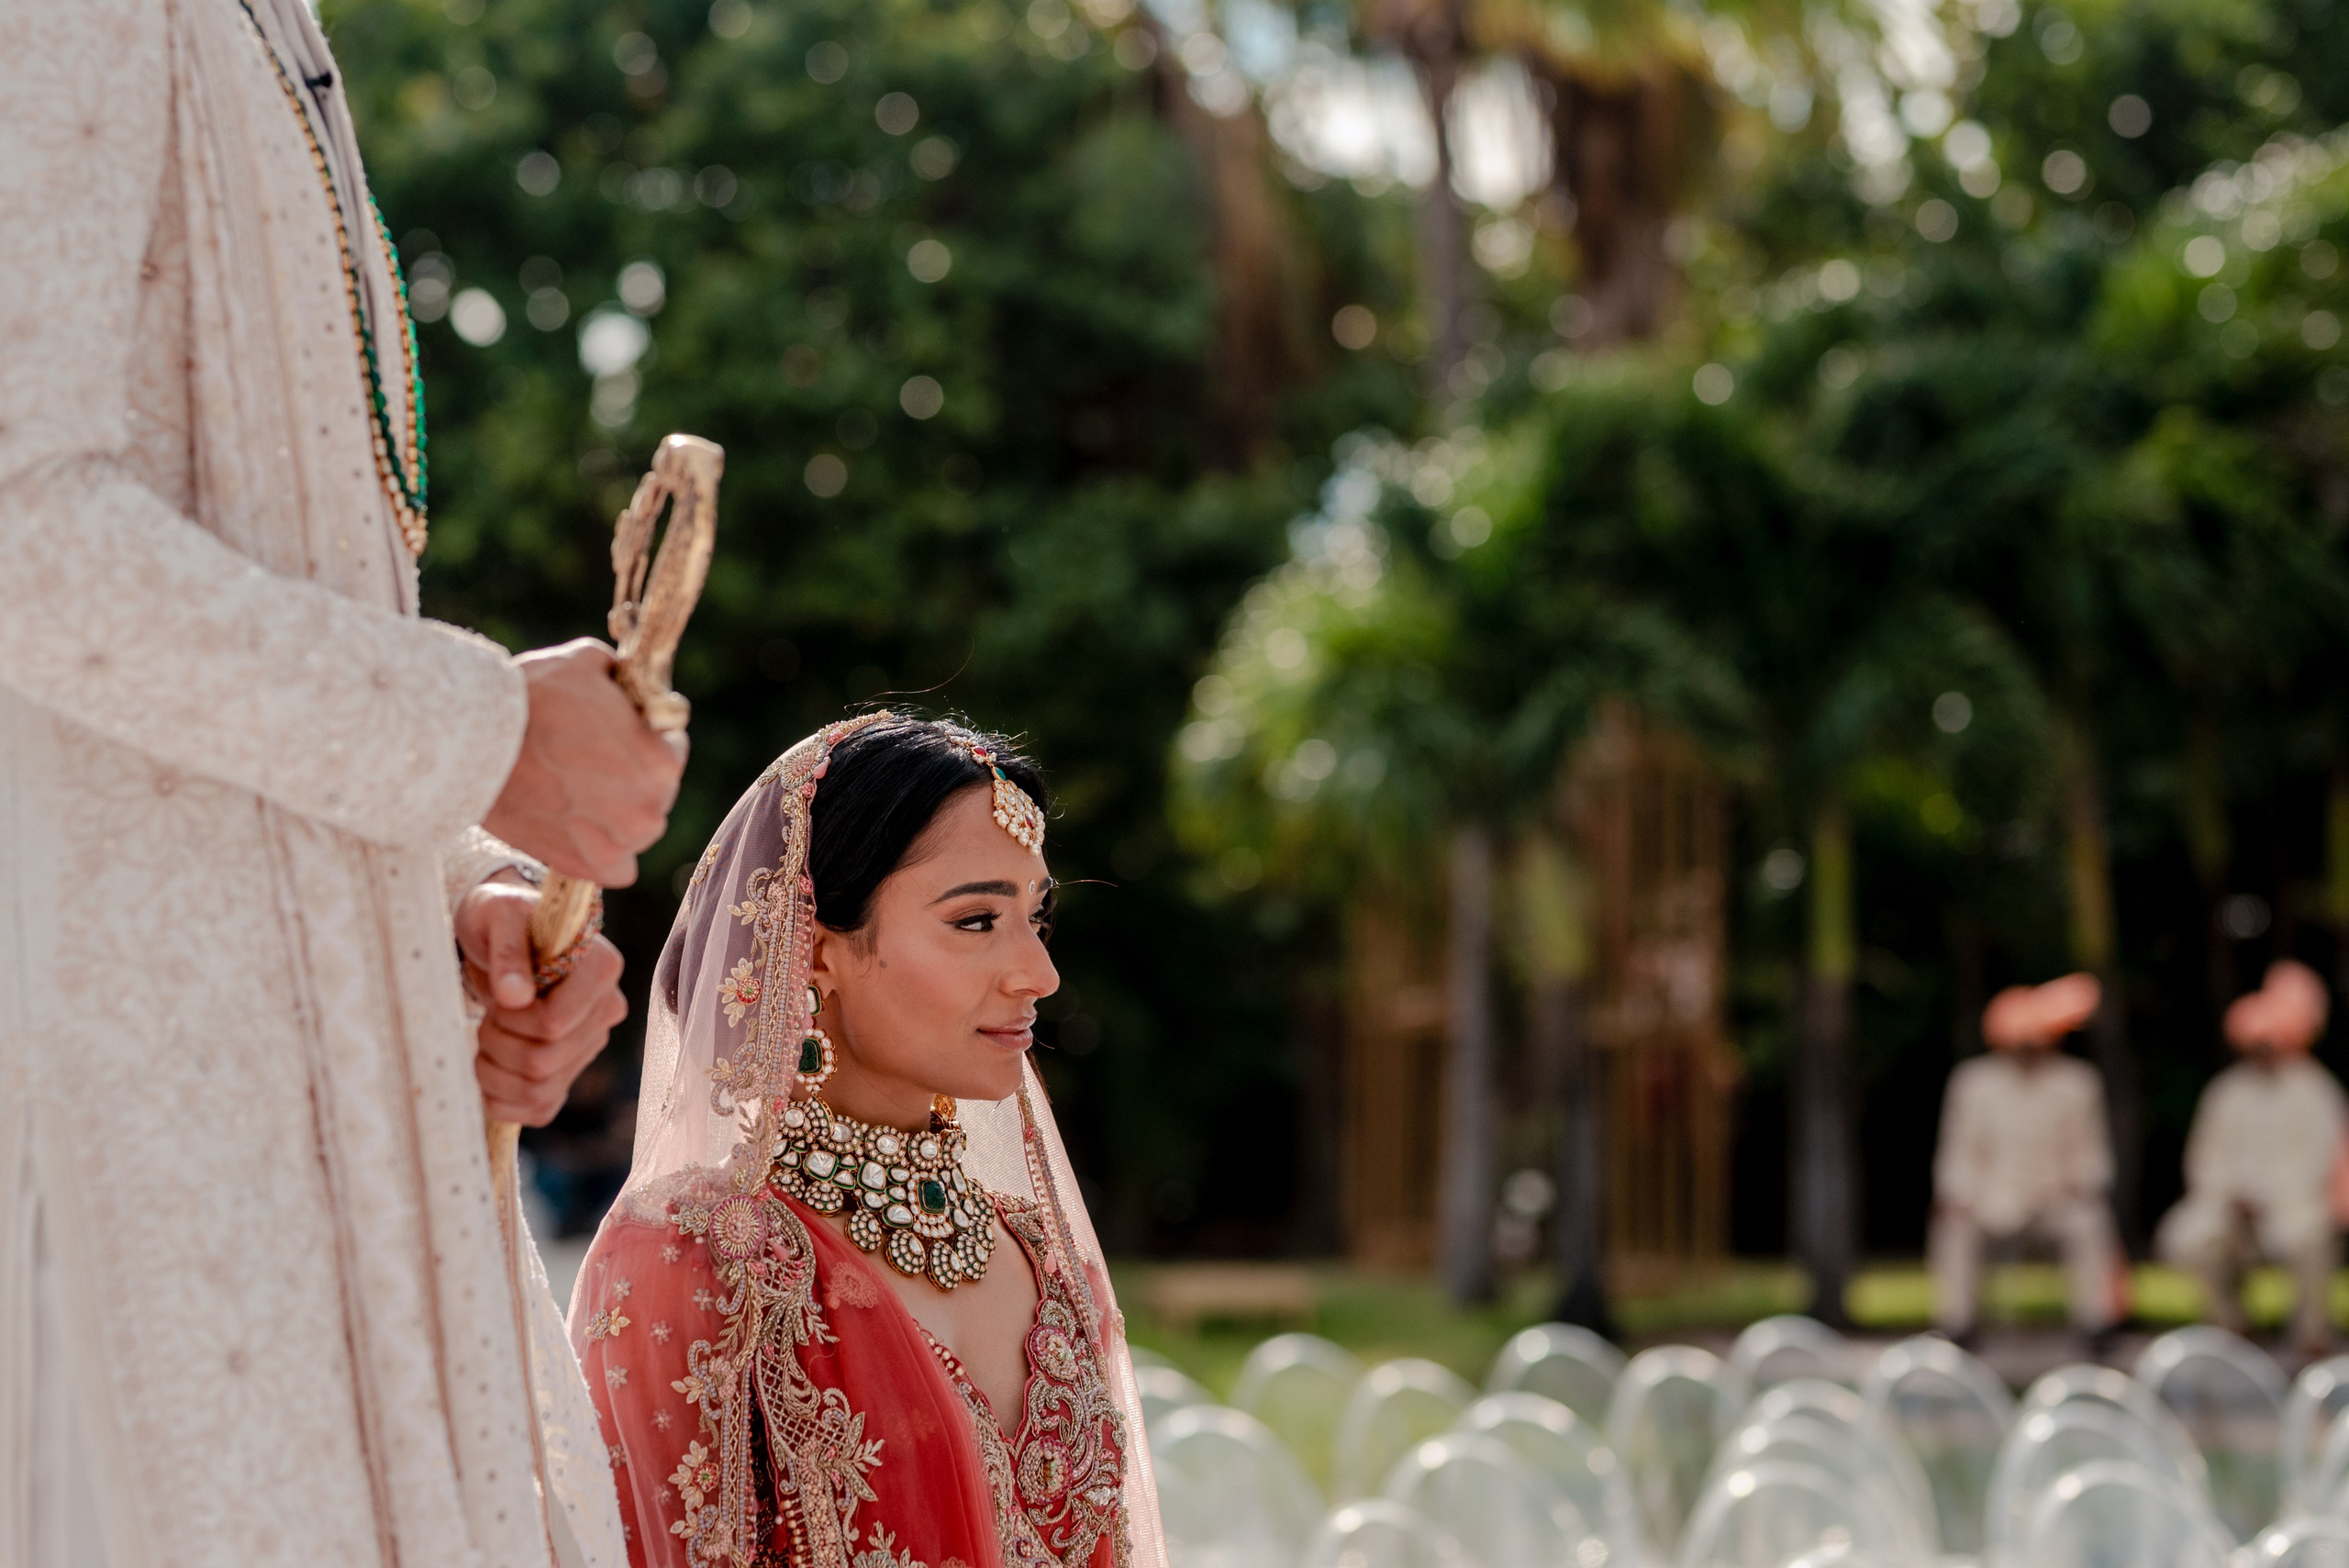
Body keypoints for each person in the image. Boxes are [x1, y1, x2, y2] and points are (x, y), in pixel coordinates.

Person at [2, 6, 680, 1563]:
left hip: (325, 1183)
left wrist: (454, 894)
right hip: (143, 1184)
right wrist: (481, 728)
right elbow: (19, 521)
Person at [571, 714, 1163, 1568]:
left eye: (1038, 917)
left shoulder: (1039, 1256)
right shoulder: (700, 1255)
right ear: (814, 951)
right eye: (975, 921)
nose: (1039, 973)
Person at [2157, 959, 2348, 1357]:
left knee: (2311, 1238)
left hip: (2292, 1207)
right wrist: (2232, 1195)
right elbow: (2204, 1159)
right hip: (2230, 1207)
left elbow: (2319, 1163)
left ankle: (2312, 1338)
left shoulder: (2315, 1091)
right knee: (2189, 1240)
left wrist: (2269, 1197)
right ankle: (2231, 1327)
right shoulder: (2226, 1092)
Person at [1929, 973, 2122, 1348]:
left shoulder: (2078, 1083)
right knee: (1953, 1226)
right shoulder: (1973, 1083)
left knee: (2090, 1222)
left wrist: (2082, 1184)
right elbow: (1958, 1153)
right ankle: (1958, 1325)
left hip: (2055, 1200)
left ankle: (2097, 1324)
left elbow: (2092, 1153)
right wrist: (1957, 1194)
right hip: (1991, 1201)